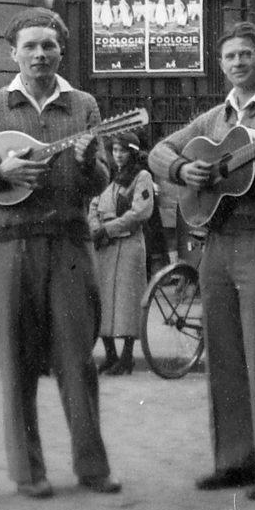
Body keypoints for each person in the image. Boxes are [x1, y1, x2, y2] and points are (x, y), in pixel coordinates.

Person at [0, 8, 118, 498]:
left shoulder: (83, 105)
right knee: (16, 359)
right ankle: (29, 472)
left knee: (77, 357)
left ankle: (92, 467)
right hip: (8, 245)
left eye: (49, 45)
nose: (40, 54)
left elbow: (102, 177)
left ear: (62, 50)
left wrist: (88, 165)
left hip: (68, 244)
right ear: (12, 53)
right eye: (30, 46)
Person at [151, 21, 255, 501]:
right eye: (229, 57)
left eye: (247, 54)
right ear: (220, 64)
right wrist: (183, 168)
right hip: (217, 242)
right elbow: (159, 152)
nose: (238, 63)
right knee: (222, 352)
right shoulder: (213, 119)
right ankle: (235, 462)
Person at [88, 132, 154, 376]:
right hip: (104, 246)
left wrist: (108, 229)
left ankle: (126, 358)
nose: (117, 155)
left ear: (133, 152)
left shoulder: (141, 177)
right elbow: (94, 205)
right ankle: (110, 355)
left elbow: (139, 212)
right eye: (114, 150)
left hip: (128, 245)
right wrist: (95, 228)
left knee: (126, 300)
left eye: (123, 151)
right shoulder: (107, 176)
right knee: (102, 299)